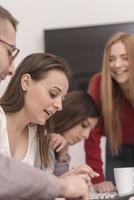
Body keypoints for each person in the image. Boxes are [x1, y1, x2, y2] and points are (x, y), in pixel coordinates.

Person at [0, 5, 98, 200]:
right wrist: (60, 185)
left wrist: (64, 181)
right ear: (26, 82)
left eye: (61, 99)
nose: (59, 106)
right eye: (53, 94)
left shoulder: (38, 137)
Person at [84, 32, 134, 193]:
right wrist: (97, 178)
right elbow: (92, 132)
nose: (117, 65)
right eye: (111, 59)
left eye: (125, 57)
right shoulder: (98, 83)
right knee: (118, 194)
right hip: (118, 149)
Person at [48, 90, 99, 176]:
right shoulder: (40, 136)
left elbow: (60, 184)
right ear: (68, 114)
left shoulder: (60, 145)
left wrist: (62, 156)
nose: (86, 136)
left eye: (90, 130)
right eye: (84, 125)